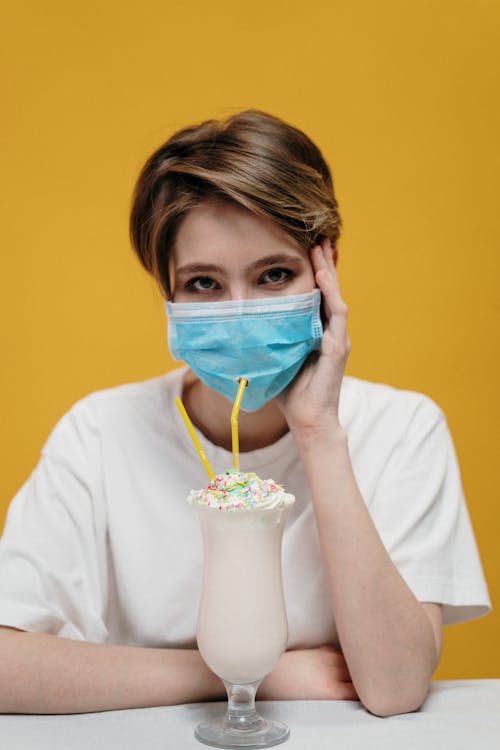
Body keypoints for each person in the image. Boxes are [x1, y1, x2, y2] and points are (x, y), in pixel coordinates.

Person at [0, 110, 490, 717]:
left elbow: (394, 687)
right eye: (204, 283)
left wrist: (318, 433)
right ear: (167, 293)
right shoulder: (99, 433)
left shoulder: (404, 430)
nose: (239, 312)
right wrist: (249, 672)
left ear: (324, 268)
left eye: (274, 275)